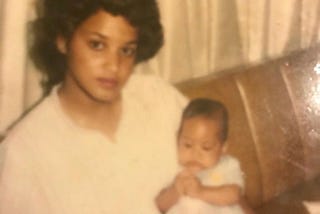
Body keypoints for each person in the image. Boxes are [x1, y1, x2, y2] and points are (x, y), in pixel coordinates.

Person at [0, 0, 187, 213]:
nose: (113, 65)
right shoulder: (24, 153)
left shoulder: (159, 98)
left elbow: (220, 175)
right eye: (97, 45)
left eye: (126, 50)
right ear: (63, 39)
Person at [156, 98, 245, 214]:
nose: (195, 154)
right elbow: (160, 206)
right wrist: (175, 190)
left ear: (223, 148)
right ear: (178, 139)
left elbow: (234, 195)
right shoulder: (174, 167)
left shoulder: (227, 165)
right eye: (187, 145)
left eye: (206, 147)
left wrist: (201, 192)